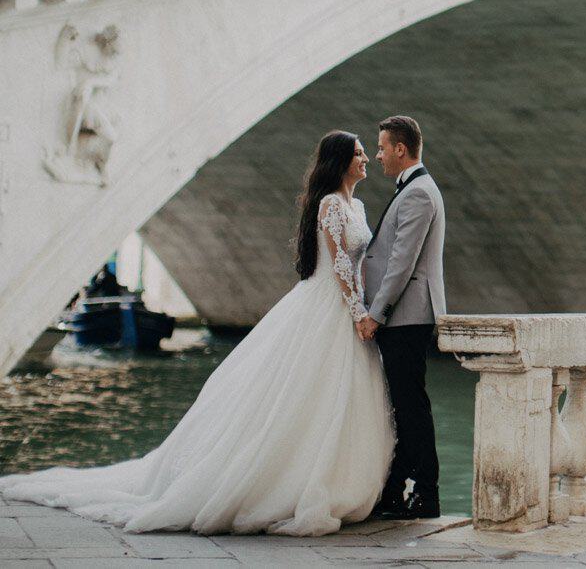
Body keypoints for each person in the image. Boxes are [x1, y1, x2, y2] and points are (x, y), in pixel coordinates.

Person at [0, 131, 394, 536]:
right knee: (305, 392)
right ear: (340, 161)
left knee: (330, 393)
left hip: (341, 307)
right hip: (330, 305)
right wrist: (359, 312)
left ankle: (334, 477)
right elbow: (340, 266)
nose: (366, 159)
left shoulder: (357, 206)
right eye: (360, 153)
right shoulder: (330, 204)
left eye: (367, 152)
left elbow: (358, 263)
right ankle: (293, 481)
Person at [357, 115, 446, 520]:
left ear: (400, 149)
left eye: (381, 147)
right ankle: (397, 490)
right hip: (405, 316)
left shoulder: (418, 194)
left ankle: (426, 494)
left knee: (411, 407)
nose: (377, 155)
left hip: (406, 317)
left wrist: (376, 313)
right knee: (406, 405)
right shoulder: (415, 189)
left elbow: (401, 263)